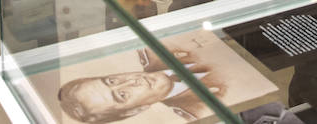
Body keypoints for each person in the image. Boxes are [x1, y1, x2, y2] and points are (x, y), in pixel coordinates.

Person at [58, 49, 225, 123]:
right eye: (122, 95)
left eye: (112, 81)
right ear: (135, 111)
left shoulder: (154, 46)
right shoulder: (200, 113)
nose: (131, 82)